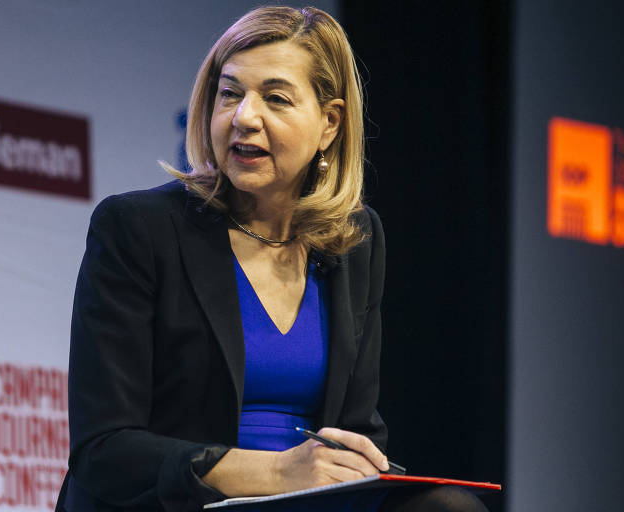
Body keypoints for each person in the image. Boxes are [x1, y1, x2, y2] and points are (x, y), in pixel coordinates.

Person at [56, 6, 488, 512]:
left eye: (276, 99)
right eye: (230, 93)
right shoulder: (138, 228)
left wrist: (362, 464)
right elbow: (104, 449)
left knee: (448, 510)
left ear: (329, 123)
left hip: (306, 504)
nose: (244, 117)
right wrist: (279, 472)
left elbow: (356, 425)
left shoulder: (354, 239)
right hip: (186, 501)